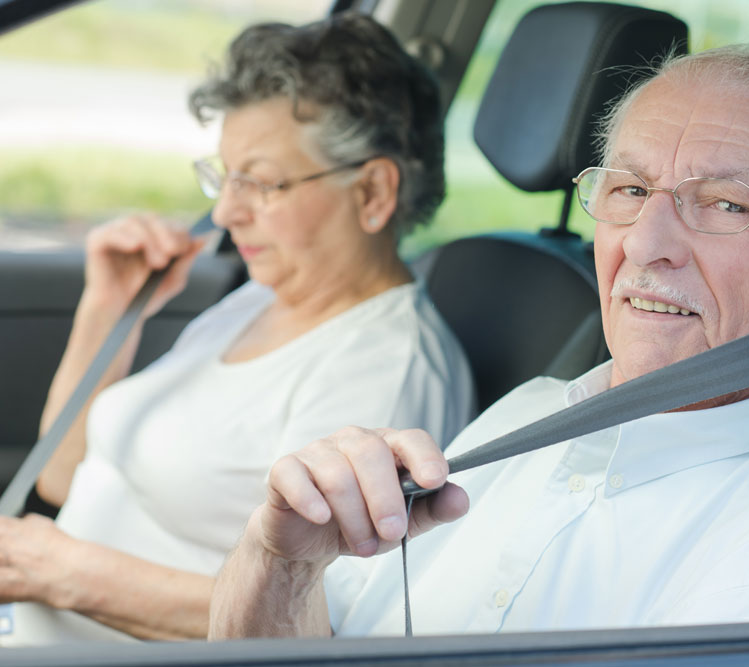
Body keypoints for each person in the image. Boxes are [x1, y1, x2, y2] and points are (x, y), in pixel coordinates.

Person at [209, 42, 749, 639]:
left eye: (727, 203)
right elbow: (315, 640)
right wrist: (280, 566)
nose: (645, 244)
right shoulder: (533, 410)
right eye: (629, 189)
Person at [0, 13, 473, 645]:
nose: (225, 210)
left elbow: (318, 624)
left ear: (372, 193)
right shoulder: (259, 296)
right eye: (225, 176)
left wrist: (62, 573)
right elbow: (60, 478)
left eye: (260, 181)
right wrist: (109, 315)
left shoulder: (383, 373)